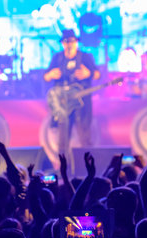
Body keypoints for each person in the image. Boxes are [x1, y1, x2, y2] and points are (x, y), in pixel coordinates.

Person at [43, 29, 100, 168]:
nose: (69, 44)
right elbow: (45, 76)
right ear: (62, 43)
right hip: (63, 104)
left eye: (72, 41)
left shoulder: (85, 57)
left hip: (81, 103)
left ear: (76, 42)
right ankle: (64, 170)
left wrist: (88, 73)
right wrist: (51, 74)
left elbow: (98, 74)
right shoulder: (57, 58)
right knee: (63, 140)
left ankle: (87, 169)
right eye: (66, 42)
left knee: (84, 137)